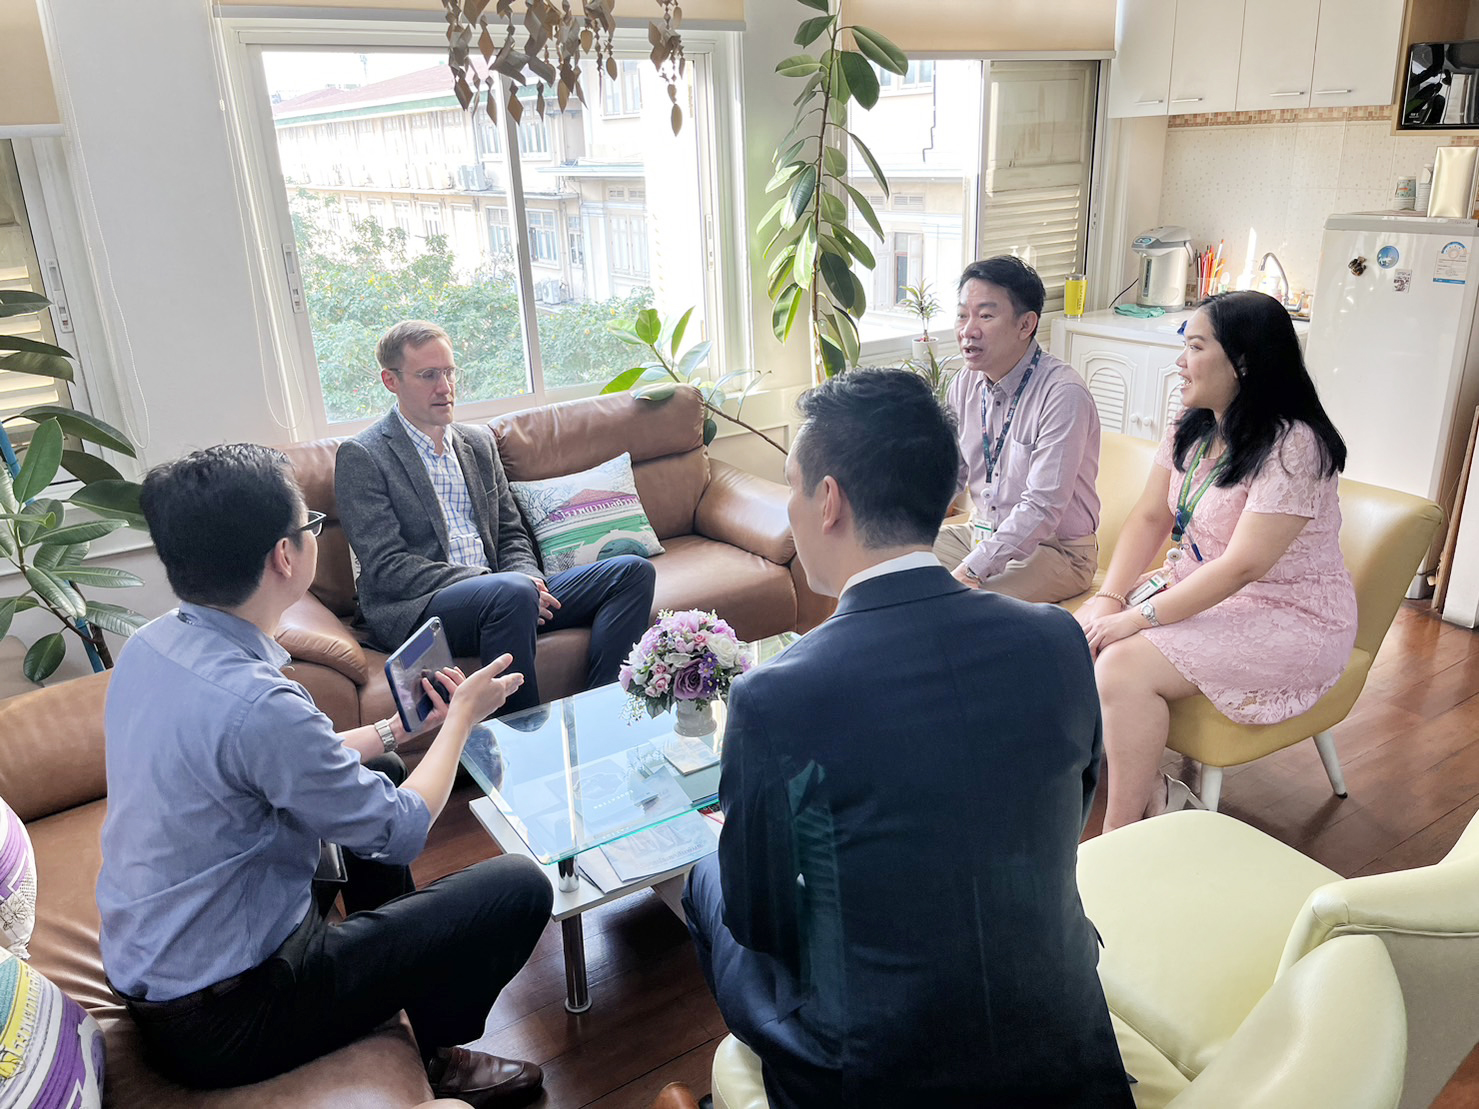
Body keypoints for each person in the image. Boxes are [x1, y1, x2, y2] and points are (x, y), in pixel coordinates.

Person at [683, 369, 1132, 1108]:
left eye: (792, 486)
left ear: (829, 500)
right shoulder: (1056, 638)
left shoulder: (777, 694)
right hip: (1063, 1034)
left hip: (876, 1068)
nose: (791, 509)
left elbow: (761, 917)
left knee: (708, 877)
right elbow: (1070, 808)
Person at [98, 443, 553, 1106]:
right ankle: (434, 1041)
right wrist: (460, 720)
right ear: (284, 556)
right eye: (310, 524)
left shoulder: (152, 644)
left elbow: (280, 759)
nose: (315, 534)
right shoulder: (260, 703)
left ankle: (409, 1015)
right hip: (228, 1019)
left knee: (385, 764)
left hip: (168, 978)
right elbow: (402, 830)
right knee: (518, 885)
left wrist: (397, 728)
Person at [1076, 291, 1356, 830]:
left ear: (1242, 362)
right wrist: (1109, 598)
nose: (1180, 361)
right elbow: (1150, 517)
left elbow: (1244, 566)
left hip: (1289, 615)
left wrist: (1136, 618)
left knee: (1122, 664)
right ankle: (1158, 794)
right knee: (1077, 636)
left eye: (1196, 347)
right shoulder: (1192, 423)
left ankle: (1119, 830)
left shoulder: (1294, 445)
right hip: (1200, 585)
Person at [336, 320, 656, 714]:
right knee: (510, 593)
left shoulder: (477, 442)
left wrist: (530, 579)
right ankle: (523, 741)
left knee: (631, 572)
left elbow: (510, 533)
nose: (445, 387)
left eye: (450, 372)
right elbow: (388, 567)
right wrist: (497, 581)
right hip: (423, 607)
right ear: (391, 380)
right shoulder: (363, 456)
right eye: (428, 375)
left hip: (508, 596)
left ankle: (605, 715)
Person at [934, 255, 1102, 602]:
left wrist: (972, 569)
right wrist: (901, 533)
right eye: (963, 315)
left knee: (959, 601)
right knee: (887, 567)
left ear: (1026, 325)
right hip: (981, 534)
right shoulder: (964, 384)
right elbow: (949, 475)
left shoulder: (1062, 393)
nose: (968, 330)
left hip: (1056, 551)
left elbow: (1043, 505)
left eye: (985, 316)